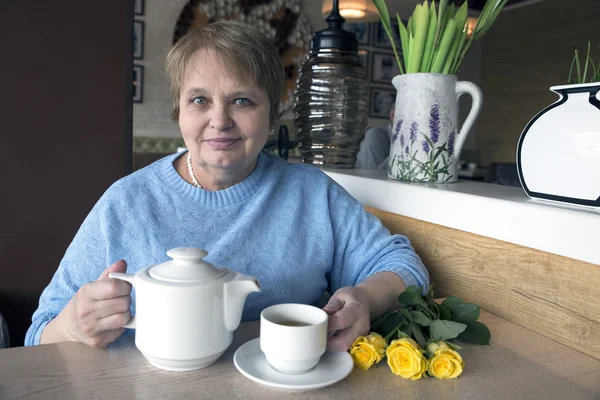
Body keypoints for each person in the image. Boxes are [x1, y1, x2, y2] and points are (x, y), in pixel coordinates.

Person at [25, 21, 428, 351]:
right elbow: (38, 332)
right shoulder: (125, 202)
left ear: (273, 113)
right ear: (178, 111)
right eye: (199, 100)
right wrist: (72, 326)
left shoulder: (311, 194)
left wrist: (366, 299)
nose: (219, 120)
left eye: (242, 101)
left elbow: (405, 267)